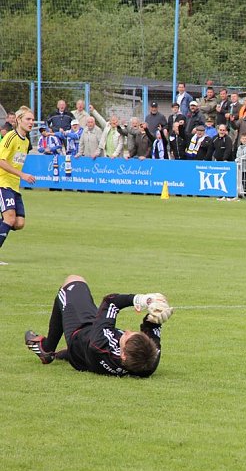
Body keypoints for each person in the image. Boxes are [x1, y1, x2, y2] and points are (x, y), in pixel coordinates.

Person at [23, 275, 171, 377]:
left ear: (123, 355)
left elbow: (110, 302)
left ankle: (47, 348)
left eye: (126, 337)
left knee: (74, 282)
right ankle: (63, 354)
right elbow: (151, 336)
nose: (126, 331)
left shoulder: (100, 343)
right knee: (79, 352)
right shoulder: (146, 364)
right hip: (85, 358)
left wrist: (142, 299)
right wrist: (154, 318)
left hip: (80, 331)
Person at [0, 106, 36, 264]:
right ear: (19, 120)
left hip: (14, 185)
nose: (31, 122)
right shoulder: (10, 137)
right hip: (2, 182)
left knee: (19, 223)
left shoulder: (26, 141)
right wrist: (22, 175)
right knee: (9, 218)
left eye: (33, 119)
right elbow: (1, 161)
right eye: (28, 119)